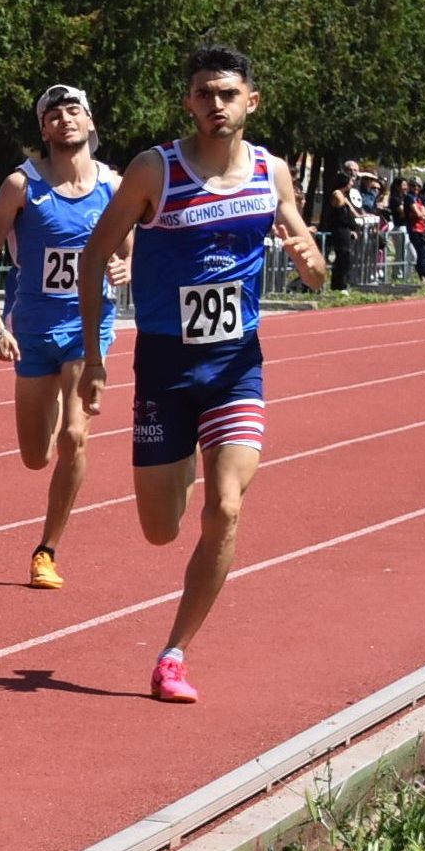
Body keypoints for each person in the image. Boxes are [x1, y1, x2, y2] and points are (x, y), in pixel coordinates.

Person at [78, 45, 325, 703]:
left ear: (252, 102)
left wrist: (312, 265)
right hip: (165, 367)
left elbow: (314, 268)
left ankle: (174, 655)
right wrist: (95, 358)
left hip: (236, 366)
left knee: (226, 507)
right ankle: (183, 454)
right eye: (205, 93)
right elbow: (95, 256)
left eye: (228, 93)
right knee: (160, 529)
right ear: (189, 102)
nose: (217, 104)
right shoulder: (154, 170)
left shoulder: (271, 172)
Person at [0, 84, 130, 589]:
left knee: (75, 438)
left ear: (90, 121)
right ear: (44, 129)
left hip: (88, 325)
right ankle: (60, 401)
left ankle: (47, 550)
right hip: (33, 329)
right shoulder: (22, 186)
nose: (64, 119)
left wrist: (125, 267)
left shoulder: (114, 185)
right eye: (53, 115)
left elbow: (131, 250)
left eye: (73, 111)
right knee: (35, 456)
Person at [325, 164, 363, 292]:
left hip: (346, 229)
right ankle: (339, 285)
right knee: (343, 255)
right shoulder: (337, 194)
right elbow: (342, 215)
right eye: (350, 181)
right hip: (339, 229)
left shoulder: (343, 195)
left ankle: (343, 283)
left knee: (347, 256)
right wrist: (351, 225)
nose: (352, 183)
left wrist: (357, 223)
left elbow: (353, 213)